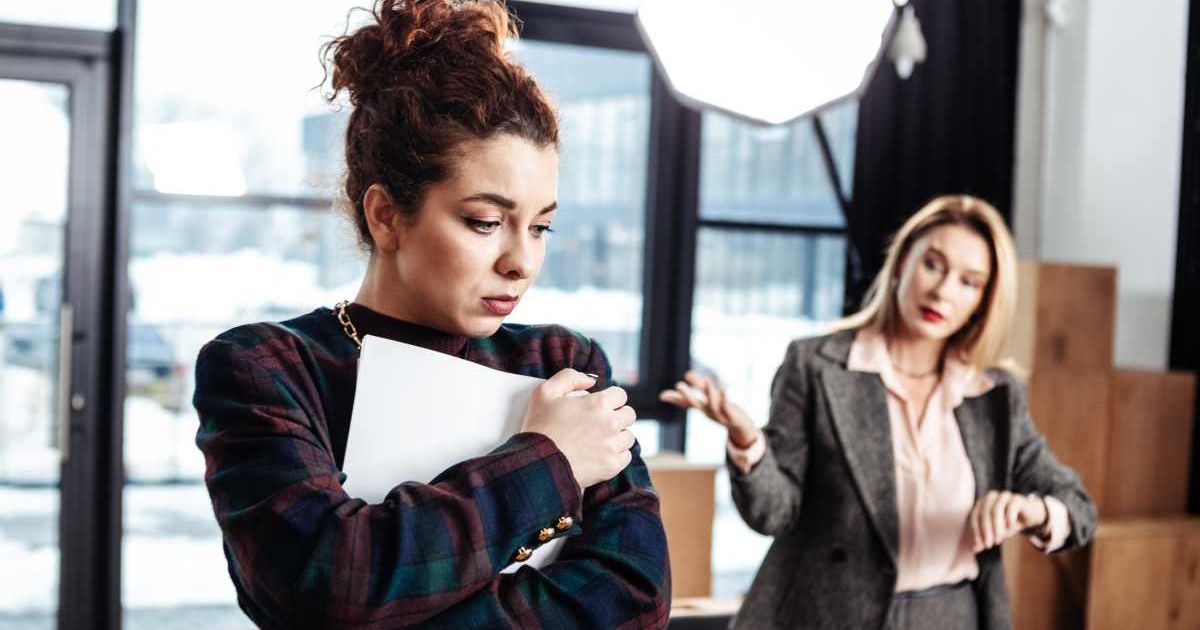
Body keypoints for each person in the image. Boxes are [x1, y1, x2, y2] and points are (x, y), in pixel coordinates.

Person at [192, 1, 669, 627]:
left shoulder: (562, 364)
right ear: (386, 215)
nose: (522, 261)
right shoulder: (267, 368)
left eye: (542, 226)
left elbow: (637, 599)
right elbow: (330, 583)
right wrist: (550, 458)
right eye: (486, 222)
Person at [661, 195, 1095, 630]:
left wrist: (1033, 511)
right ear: (902, 261)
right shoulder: (816, 365)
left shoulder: (994, 394)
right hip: (828, 615)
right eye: (933, 264)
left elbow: (1077, 509)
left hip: (952, 617)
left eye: (969, 282)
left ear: (984, 300)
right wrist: (747, 441)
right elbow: (774, 513)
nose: (943, 290)